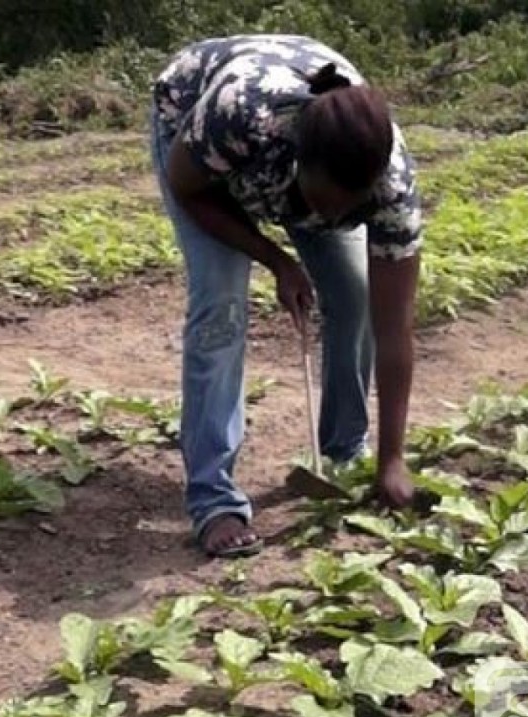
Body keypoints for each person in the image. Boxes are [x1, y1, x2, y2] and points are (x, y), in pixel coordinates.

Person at [150, 35, 424, 558]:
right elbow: (189, 187)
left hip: (290, 161)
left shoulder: (391, 189)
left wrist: (393, 459)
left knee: (354, 296)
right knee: (221, 301)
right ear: (297, 163)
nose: (329, 222)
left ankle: (345, 452)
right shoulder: (243, 119)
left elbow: (395, 330)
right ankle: (213, 500)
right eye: (320, 206)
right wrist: (275, 259)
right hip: (195, 129)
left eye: (348, 212)